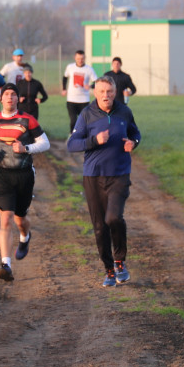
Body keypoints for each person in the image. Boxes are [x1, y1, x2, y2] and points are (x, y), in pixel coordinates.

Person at [66, 75, 141, 287]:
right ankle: (108, 270)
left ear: (115, 92)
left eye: (109, 92)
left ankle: (119, 261)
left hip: (119, 174)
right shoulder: (87, 114)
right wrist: (94, 141)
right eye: (101, 92)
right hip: (93, 175)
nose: (105, 96)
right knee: (99, 226)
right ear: (95, 93)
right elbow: (72, 144)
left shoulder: (124, 112)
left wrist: (133, 143)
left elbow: (135, 133)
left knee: (113, 218)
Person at [0, 83, 50, 281]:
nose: (9, 98)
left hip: (25, 175)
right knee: (6, 219)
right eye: (6, 95)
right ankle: (5, 265)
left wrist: (26, 149)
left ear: (18, 99)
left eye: (13, 95)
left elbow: (45, 143)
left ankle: (25, 237)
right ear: (0, 99)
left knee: (20, 219)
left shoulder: (28, 120)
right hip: (2, 175)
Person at [62, 49, 98, 133]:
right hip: (71, 99)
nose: (80, 60)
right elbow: (65, 77)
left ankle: (84, 137)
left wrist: (90, 86)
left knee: (84, 121)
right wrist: (64, 89)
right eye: (78, 58)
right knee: (73, 120)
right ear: (75, 58)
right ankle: (72, 136)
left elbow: (97, 82)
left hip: (84, 100)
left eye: (82, 58)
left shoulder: (89, 69)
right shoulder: (70, 67)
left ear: (85, 58)